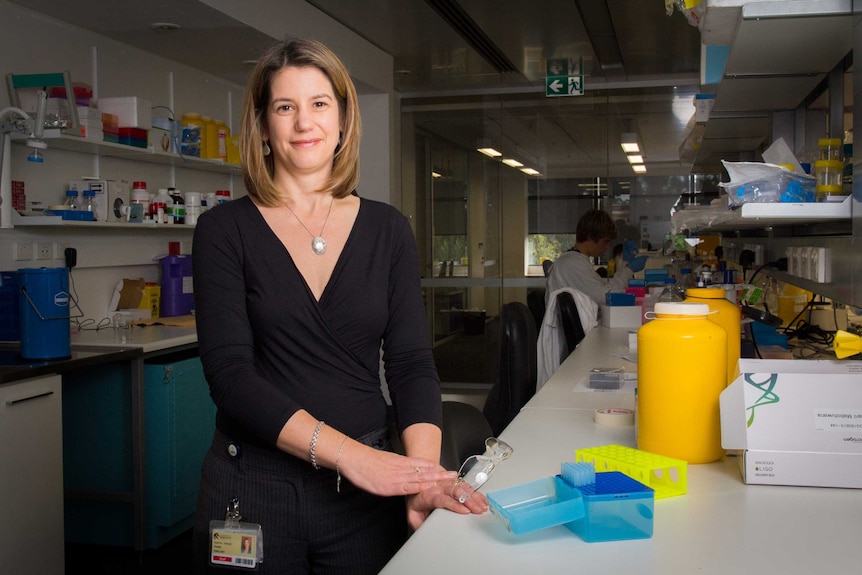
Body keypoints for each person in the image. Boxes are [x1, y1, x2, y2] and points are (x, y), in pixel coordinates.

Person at [191, 38, 487, 575]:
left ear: (345, 119)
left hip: (364, 505)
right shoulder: (223, 230)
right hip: (255, 490)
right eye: (285, 107)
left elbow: (411, 363)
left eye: (320, 103)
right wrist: (359, 460)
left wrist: (418, 477)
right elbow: (231, 377)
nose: (304, 122)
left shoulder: (388, 229)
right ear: (261, 127)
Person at [546, 209, 647, 307]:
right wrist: (629, 269)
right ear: (590, 236)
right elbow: (606, 296)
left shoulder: (578, 261)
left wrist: (625, 263)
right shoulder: (571, 264)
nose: (607, 247)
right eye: (605, 241)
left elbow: (606, 287)